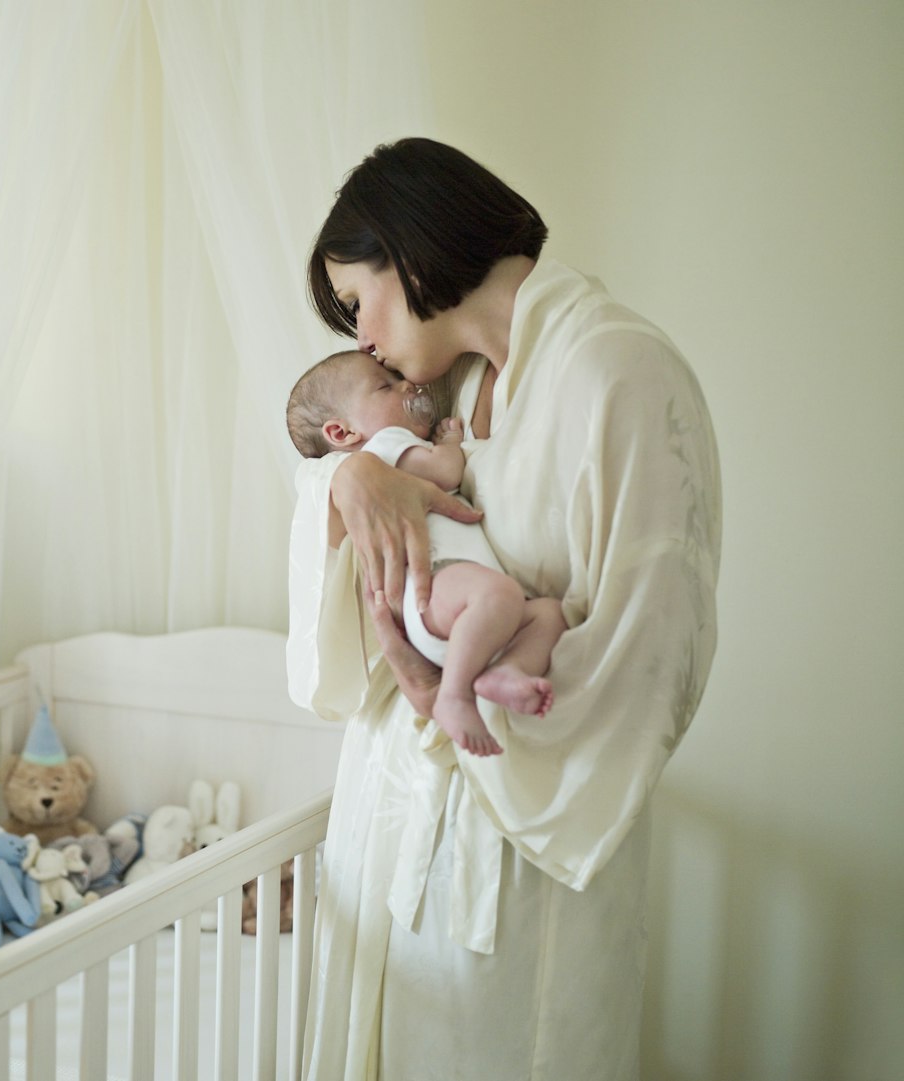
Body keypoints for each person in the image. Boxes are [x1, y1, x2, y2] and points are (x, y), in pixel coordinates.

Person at [287, 138, 721, 1080]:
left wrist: (480, 697)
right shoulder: (454, 392)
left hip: (514, 840)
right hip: (386, 817)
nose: (361, 340)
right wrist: (352, 476)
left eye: (358, 304)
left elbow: (659, 640)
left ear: (407, 253)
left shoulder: (623, 372)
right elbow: (359, 501)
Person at [286, 348, 564, 756]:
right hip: (436, 583)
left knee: (548, 615)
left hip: (445, 602)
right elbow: (448, 471)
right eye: (386, 385)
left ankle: (506, 672)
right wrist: (450, 441)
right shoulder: (384, 448)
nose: (408, 387)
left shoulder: (387, 456)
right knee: (501, 596)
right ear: (342, 434)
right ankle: (454, 695)